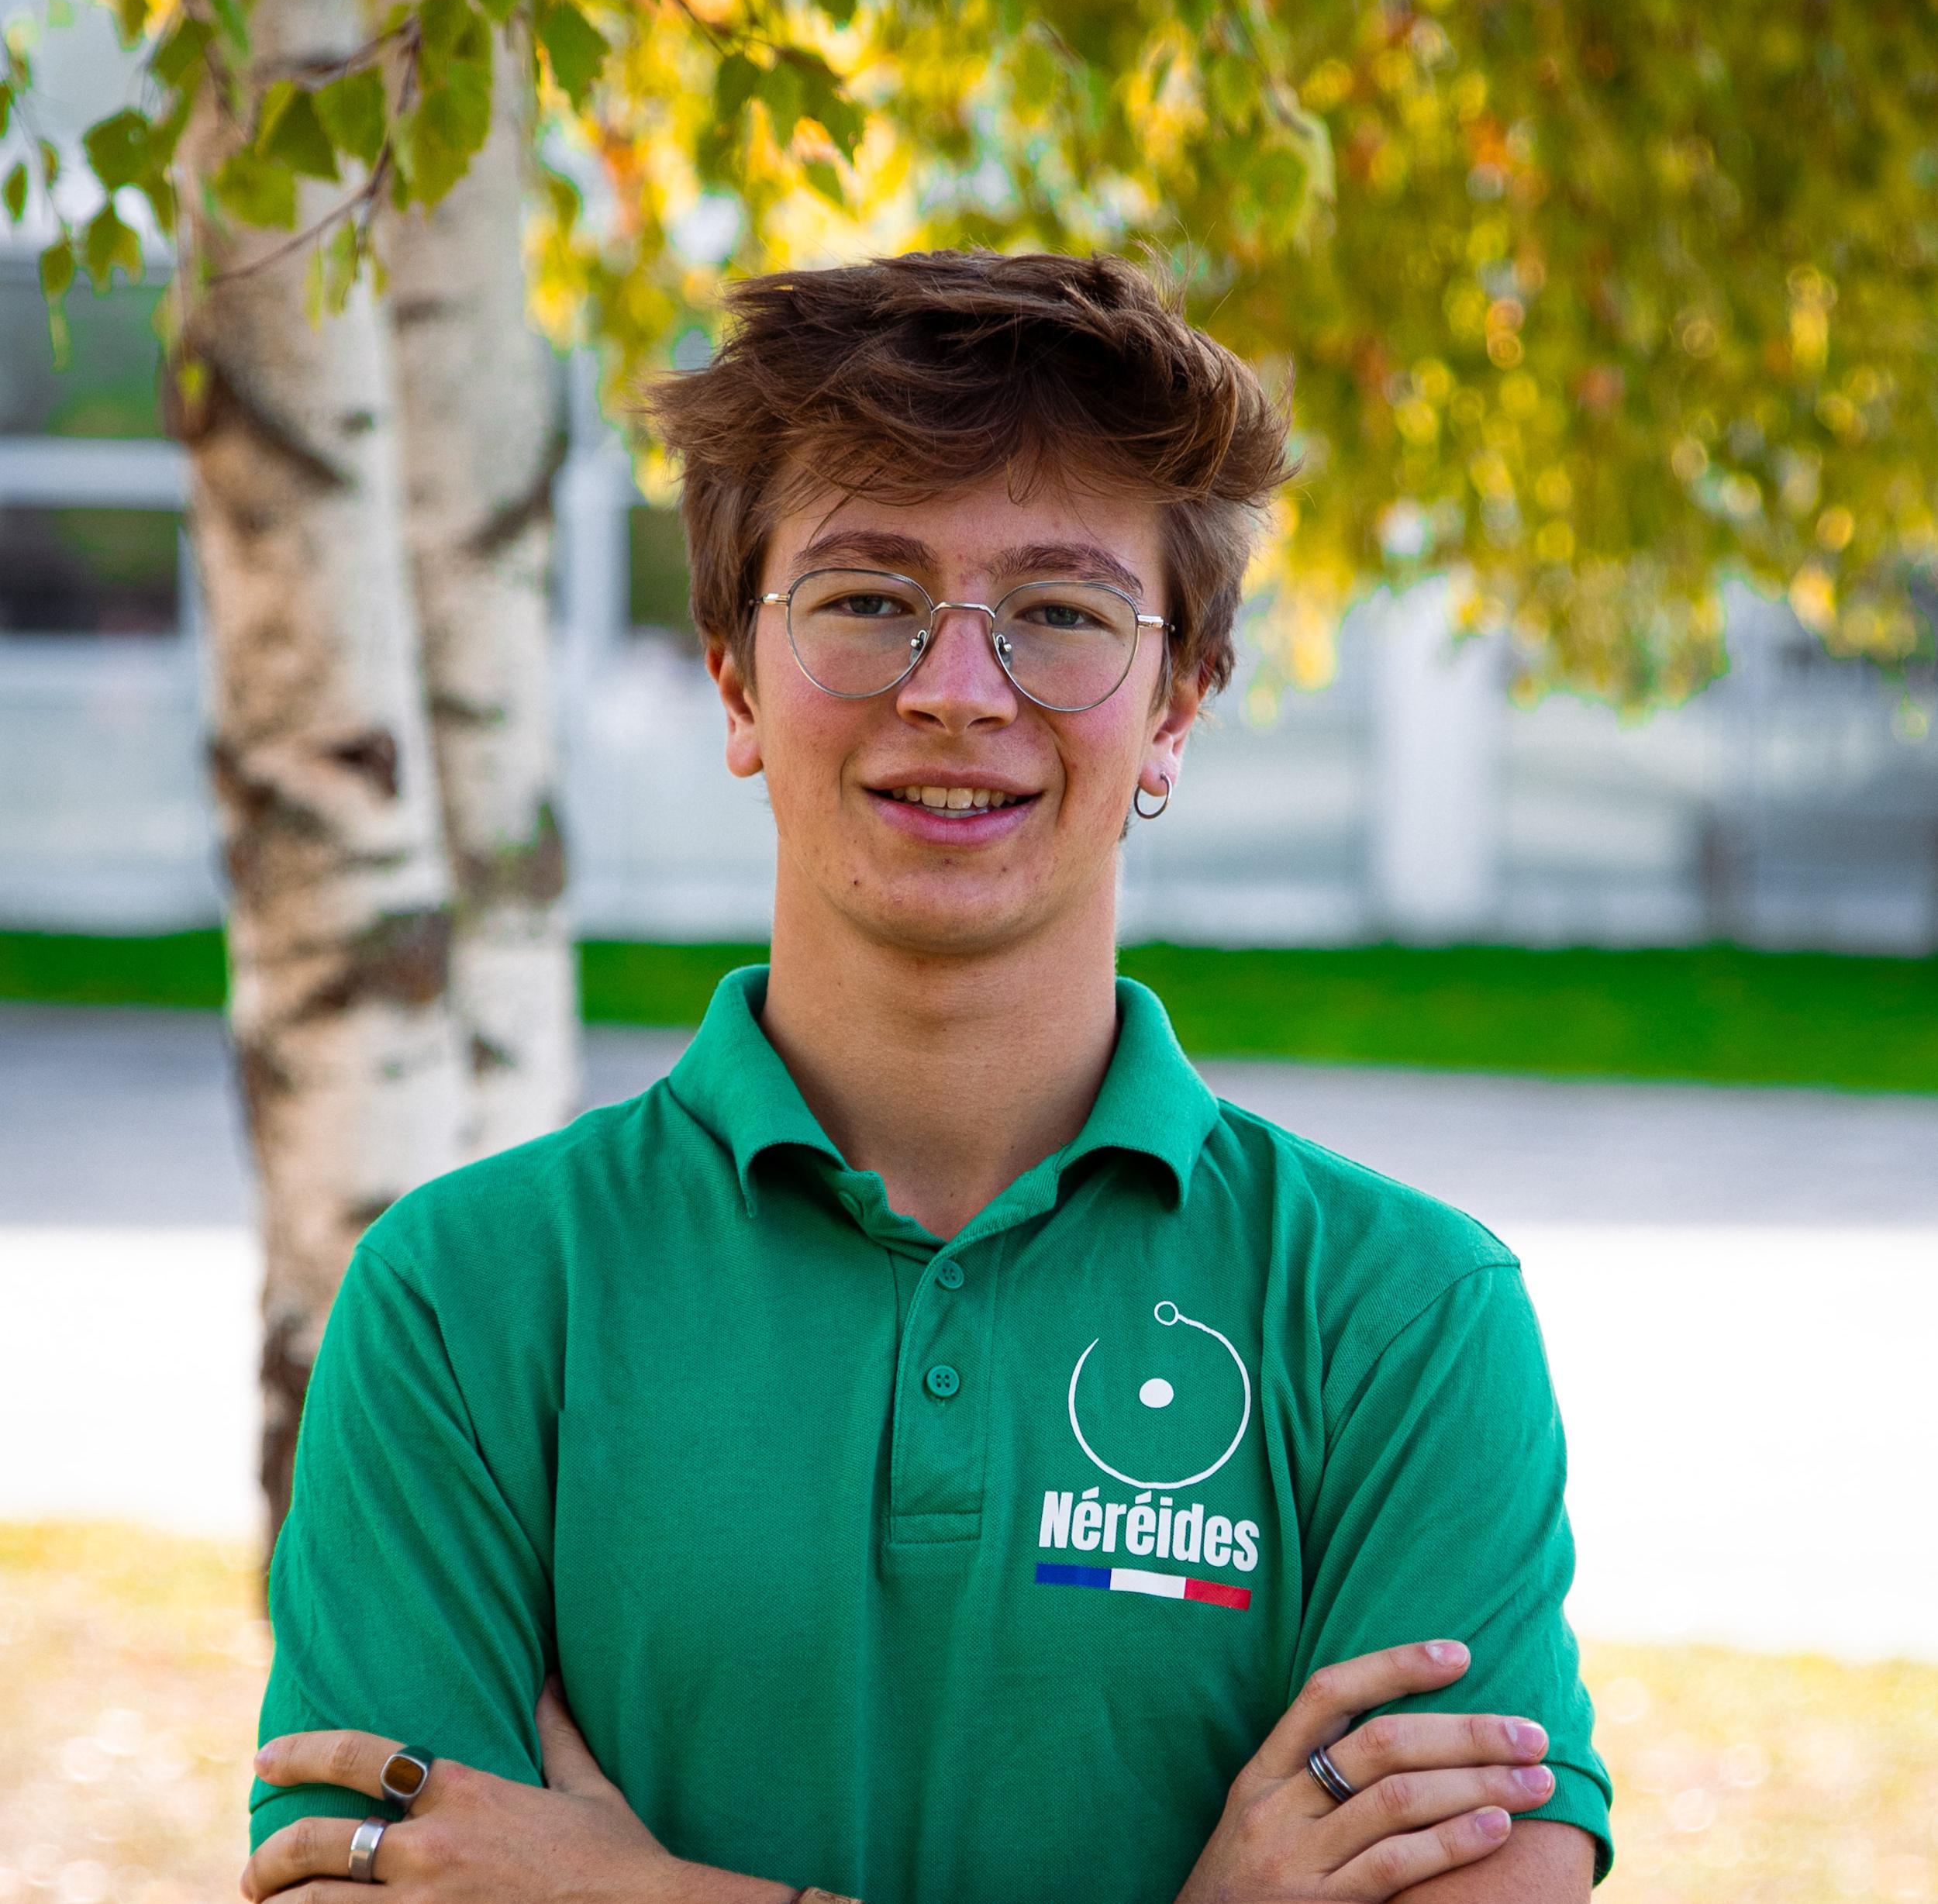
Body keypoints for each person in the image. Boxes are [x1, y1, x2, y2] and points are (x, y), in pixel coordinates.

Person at [239, 249, 1612, 1904]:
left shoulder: (1398, 1313)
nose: (956, 690)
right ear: (735, 677)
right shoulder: (464, 1301)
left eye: (1057, 612)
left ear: (1174, 703)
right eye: (867, 598)